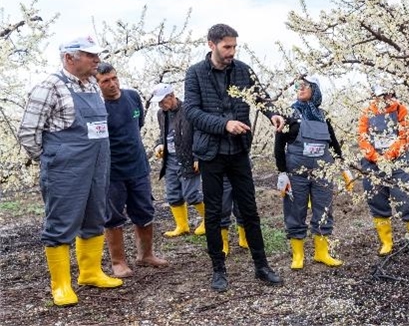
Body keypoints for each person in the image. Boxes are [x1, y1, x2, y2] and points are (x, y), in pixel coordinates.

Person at [17, 36, 123, 306]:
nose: (97, 60)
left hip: (97, 165)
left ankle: (90, 272)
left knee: (95, 216)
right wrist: (53, 158)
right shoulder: (50, 87)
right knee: (61, 223)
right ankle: (61, 285)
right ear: (69, 58)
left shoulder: (92, 86)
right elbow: (28, 133)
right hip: (65, 169)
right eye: (90, 55)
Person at [184, 23, 285, 292]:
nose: (231, 52)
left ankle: (261, 265)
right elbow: (192, 112)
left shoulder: (242, 70)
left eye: (234, 47)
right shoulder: (195, 73)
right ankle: (219, 269)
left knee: (249, 210)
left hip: (238, 150)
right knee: (215, 214)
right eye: (227, 47)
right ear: (211, 44)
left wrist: (272, 113)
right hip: (211, 152)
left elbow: (260, 97)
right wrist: (224, 124)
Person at [151, 83, 248, 253]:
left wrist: (197, 156)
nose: (161, 105)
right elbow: (162, 134)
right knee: (173, 193)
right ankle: (182, 226)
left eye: (162, 101)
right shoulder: (162, 114)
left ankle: (206, 220)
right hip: (171, 159)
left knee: (192, 194)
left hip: (188, 157)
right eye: (158, 103)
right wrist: (159, 145)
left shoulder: (188, 110)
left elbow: (198, 133)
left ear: (171, 96)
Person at [96, 62, 168, 278]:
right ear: (96, 84)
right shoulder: (97, 107)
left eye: (114, 78)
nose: (112, 84)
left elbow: (138, 125)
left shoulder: (133, 96)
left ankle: (146, 254)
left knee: (145, 210)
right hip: (112, 171)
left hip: (138, 166)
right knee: (113, 216)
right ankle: (118, 262)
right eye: (105, 81)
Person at [274, 75, 346, 270]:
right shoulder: (288, 115)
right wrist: (282, 172)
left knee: (323, 209)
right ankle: (298, 255)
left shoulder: (324, 116)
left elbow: (333, 143)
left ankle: (321, 252)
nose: (300, 88)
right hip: (296, 173)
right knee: (295, 210)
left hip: (323, 172)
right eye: (297, 85)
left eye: (304, 85)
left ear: (315, 89)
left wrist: (343, 167)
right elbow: (279, 145)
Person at [358, 84, 409, 258]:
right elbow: (362, 138)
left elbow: (404, 137)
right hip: (372, 163)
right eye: (381, 96)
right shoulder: (367, 112)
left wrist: (389, 155)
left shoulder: (400, 110)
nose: (384, 99)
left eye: (387, 95)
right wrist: (376, 157)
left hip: (398, 161)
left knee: (406, 199)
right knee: (376, 200)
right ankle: (387, 243)